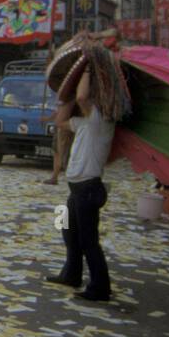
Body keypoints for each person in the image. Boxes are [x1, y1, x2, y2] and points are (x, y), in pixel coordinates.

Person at [47, 67, 114, 301]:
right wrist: (64, 95)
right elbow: (59, 120)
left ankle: (100, 287)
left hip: (88, 189)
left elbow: (82, 97)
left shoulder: (100, 120)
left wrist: (85, 68)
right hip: (76, 189)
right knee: (69, 233)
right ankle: (71, 274)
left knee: (88, 240)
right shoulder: (85, 122)